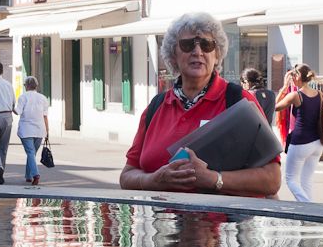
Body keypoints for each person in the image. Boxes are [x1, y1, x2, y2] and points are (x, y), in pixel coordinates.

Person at [119, 13, 282, 197]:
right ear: (173, 54)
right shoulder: (156, 106)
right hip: (161, 224)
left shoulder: (239, 101)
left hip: (222, 224)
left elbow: (272, 179)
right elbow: (127, 175)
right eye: (188, 45)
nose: (198, 51)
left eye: (206, 44)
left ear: (217, 53)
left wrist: (213, 179)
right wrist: (154, 180)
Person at [275, 64, 323, 203]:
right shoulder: (319, 94)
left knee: (290, 179)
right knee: (306, 181)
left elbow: (276, 106)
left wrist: (284, 87)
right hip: (318, 143)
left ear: (297, 77)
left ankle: (308, 207)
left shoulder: (295, 95)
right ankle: (308, 218)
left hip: (300, 142)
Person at [14, 76, 50, 186]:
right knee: (32, 153)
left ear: (26, 86)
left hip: (26, 130)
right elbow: (45, 117)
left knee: (30, 153)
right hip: (40, 130)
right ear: (36, 86)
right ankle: (28, 176)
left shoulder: (23, 97)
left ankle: (35, 174)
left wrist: (11, 107)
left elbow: (18, 111)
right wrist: (47, 132)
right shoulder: (43, 98)